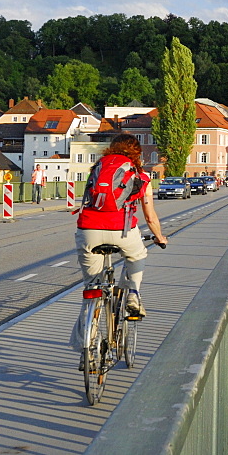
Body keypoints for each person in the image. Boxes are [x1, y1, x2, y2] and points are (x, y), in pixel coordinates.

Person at [70, 134, 168, 353]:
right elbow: (150, 216)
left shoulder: (97, 168)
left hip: (88, 230)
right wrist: (159, 237)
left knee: (92, 287)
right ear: (137, 153)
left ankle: (87, 344)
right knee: (137, 256)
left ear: (111, 148)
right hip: (122, 231)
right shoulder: (141, 176)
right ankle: (133, 293)